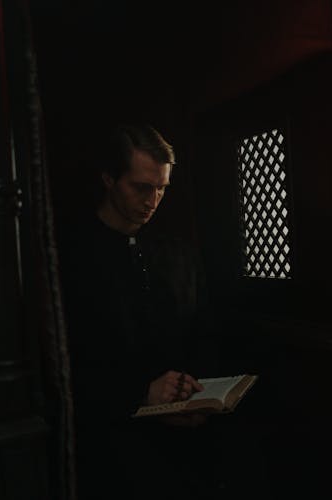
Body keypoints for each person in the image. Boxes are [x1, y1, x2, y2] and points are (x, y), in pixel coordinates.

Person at [59, 124, 227, 499]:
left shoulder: (179, 254)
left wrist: (195, 390)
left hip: (186, 441)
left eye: (162, 188)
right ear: (109, 179)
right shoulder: (70, 258)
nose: (153, 199)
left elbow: (204, 330)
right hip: (111, 447)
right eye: (141, 187)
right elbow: (66, 360)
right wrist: (139, 393)